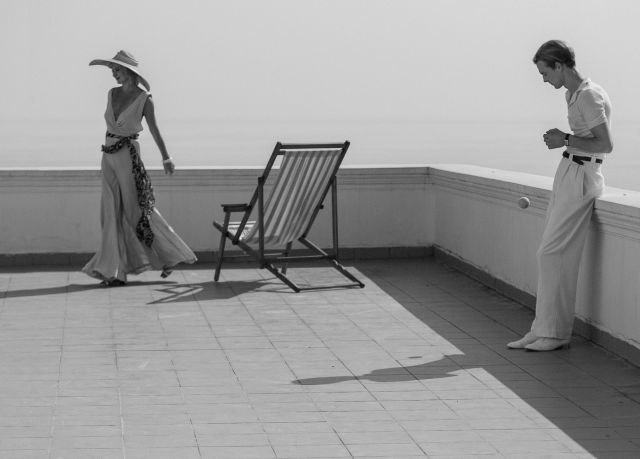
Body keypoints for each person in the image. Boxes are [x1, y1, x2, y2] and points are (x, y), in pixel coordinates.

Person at [508, 40, 613, 352]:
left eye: (545, 73)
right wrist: (566, 143)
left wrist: (565, 139)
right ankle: (541, 329)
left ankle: (555, 334)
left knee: (552, 253)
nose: (544, 80)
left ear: (560, 65)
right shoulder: (573, 94)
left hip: (582, 175)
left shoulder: (589, 95)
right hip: (569, 171)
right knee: (549, 253)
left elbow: (605, 144)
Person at [82, 50, 197, 287]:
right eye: (112, 69)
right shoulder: (111, 93)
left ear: (129, 71)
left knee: (136, 211)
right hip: (108, 155)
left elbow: (154, 130)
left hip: (128, 156)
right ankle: (114, 272)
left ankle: (170, 254)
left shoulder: (145, 99)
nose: (113, 74)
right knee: (109, 212)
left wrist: (166, 158)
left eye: (117, 69)